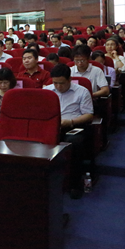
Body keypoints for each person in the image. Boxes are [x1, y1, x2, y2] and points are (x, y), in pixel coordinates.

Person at [43, 64, 94, 198]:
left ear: (69, 79)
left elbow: (88, 115)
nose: (58, 86)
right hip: (51, 126)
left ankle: (74, 184)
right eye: (55, 83)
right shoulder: (47, 91)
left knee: (74, 143)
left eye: (62, 83)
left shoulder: (82, 91)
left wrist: (70, 122)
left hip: (74, 125)